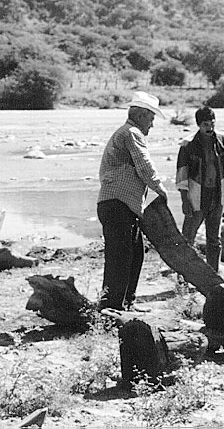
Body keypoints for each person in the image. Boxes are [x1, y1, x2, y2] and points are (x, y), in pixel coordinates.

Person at [97, 91, 169, 311]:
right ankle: (112, 308)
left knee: (135, 254)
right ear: (141, 115)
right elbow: (145, 167)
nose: (153, 124)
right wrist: (161, 190)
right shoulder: (131, 133)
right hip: (117, 203)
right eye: (151, 118)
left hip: (123, 205)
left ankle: (126, 303)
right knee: (120, 257)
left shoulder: (128, 132)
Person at [176, 106, 224, 272]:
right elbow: (182, 176)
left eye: (212, 123)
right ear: (198, 125)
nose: (210, 128)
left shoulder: (223, 141)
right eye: (206, 124)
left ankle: (213, 277)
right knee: (187, 239)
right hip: (196, 197)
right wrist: (185, 200)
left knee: (214, 240)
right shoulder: (188, 145)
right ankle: (184, 277)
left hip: (217, 196)